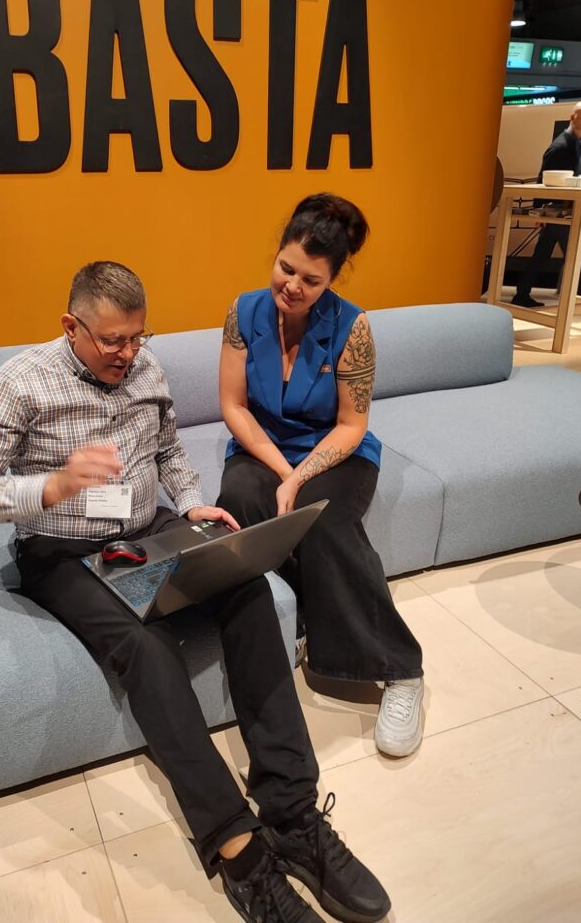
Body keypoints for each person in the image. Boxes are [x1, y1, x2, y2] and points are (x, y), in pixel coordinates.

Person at [0, 261, 391, 923]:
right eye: (112, 340)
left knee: (247, 587)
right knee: (146, 646)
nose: (129, 353)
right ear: (71, 327)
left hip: (148, 526)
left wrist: (189, 504)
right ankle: (241, 855)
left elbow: (167, 452)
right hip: (63, 548)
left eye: (138, 337)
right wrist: (53, 485)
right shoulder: (17, 384)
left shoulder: (145, 369)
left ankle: (293, 813)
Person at [217, 194, 425, 759]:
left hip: (335, 449)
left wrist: (300, 478)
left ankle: (400, 670)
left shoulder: (352, 326)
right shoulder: (243, 312)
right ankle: (300, 617)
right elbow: (233, 405)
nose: (292, 286)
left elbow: (352, 425)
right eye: (285, 268)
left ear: (331, 280)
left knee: (324, 519)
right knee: (240, 499)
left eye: (310, 280)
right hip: (265, 446)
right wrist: (284, 473)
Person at [512, 100, 581, 308]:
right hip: (559, 212)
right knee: (573, 256)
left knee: (543, 256)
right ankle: (572, 297)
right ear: (572, 117)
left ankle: (523, 294)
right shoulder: (561, 146)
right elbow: (543, 178)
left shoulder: (578, 144)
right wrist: (540, 212)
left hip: (565, 211)